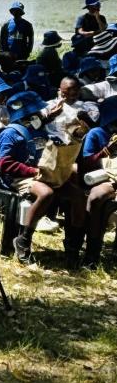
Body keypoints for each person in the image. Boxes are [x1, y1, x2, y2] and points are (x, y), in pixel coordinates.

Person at [0, 90, 88, 268]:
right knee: (46, 193)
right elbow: (5, 164)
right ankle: (23, 240)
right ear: (27, 115)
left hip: (43, 173)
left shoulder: (38, 128)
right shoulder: (11, 134)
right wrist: (31, 171)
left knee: (78, 196)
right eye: (37, 112)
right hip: (19, 176)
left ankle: (72, 247)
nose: (42, 114)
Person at [78, 94, 117, 268]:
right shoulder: (97, 133)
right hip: (102, 176)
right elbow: (86, 163)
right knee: (95, 199)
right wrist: (105, 151)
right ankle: (92, 252)